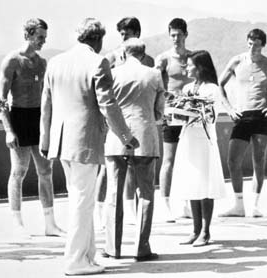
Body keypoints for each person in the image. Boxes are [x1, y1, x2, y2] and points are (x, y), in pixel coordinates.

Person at [39, 18, 139, 275]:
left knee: (79, 199)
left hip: (61, 142)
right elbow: (108, 105)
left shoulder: (55, 62)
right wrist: (126, 136)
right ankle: (75, 261)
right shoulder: (98, 61)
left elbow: (46, 105)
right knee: (83, 202)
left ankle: (88, 256)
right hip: (84, 140)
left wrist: (45, 141)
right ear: (98, 39)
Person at [219, 28, 267, 217]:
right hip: (242, 115)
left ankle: (255, 205)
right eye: (251, 44)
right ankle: (238, 205)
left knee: (258, 160)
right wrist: (229, 108)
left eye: (257, 45)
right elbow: (219, 84)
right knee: (233, 160)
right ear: (247, 43)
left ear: (263, 46)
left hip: (262, 115)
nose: (253, 48)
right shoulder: (237, 61)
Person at [0, 18, 64, 239]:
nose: (43, 42)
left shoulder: (42, 63)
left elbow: (49, 97)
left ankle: (50, 224)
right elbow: (1, 100)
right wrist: (8, 130)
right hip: (19, 117)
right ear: (27, 35)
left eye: (45, 38)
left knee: (45, 171)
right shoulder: (11, 61)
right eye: (39, 37)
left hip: (39, 118)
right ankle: (17, 224)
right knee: (18, 172)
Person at [102, 38, 164, 261]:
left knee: (113, 194)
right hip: (145, 137)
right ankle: (141, 247)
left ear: (123, 53)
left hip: (116, 138)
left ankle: (113, 248)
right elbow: (159, 112)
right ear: (143, 53)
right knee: (145, 193)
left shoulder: (113, 73)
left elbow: (105, 107)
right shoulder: (154, 74)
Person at [96, 17, 155, 227]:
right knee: (107, 167)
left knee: (134, 167)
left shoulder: (148, 61)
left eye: (127, 33)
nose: (124, 37)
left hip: (138, 121)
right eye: (121, 33)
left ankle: (130, 210)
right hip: (114, 120)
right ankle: (101, 211)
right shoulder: (110, 58)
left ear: (137, 34)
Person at [171, 50, 225, 246]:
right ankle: (194, 230)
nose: (187, 68)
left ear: (200, 67)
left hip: (204, 140)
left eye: (191, 64)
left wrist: (189, 109)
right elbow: (181, 115)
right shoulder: (187, 88)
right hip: (188, 139)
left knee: (205, 184)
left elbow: (209, 115)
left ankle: (205, 231)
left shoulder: (212, 89)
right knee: (192, 184)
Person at [155, 18, 193, 222]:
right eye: (172, 35)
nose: (176, 39)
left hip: (191, 116)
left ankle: (186, 204)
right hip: (171, 114)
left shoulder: (193, 58)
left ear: (186, 35)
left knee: (188, 160)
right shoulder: (164, 59)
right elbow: (155, 85)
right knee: (168, 160)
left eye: (179, 35)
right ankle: (165, 204)